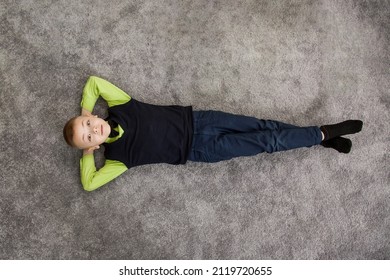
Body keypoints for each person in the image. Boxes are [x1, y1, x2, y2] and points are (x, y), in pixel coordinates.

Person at [63, 76, 363, 191]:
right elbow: (89, 183)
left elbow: (93, 83)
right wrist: (88, 154)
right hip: (203, 149)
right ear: (94, 146)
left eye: (87, 124)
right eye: (88, 138)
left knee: (265, 126)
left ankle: (316, 139)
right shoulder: (118, 158)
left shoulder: (122, 106)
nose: (93, 130)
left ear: (90, 117)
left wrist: (86, 109)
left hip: (201, 119)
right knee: (266, 142)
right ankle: (322, 133)